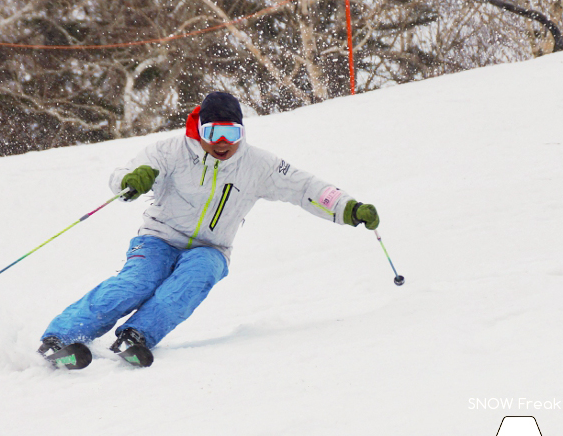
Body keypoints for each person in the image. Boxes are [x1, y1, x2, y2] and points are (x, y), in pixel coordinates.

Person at [38, 92, 379, 368]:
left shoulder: (257, 165)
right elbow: (125, 172)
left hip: (211, 247)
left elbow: (306, 187)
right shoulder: (170, 152)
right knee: (137, 283)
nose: (221, 142)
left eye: (231, 133)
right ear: (199, 131)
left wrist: (348, 207)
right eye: (212, 132)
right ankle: (61, 338)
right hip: (158, 237)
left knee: (196, 277)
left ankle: (136, 336)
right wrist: (133, 179)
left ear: (241, 134)